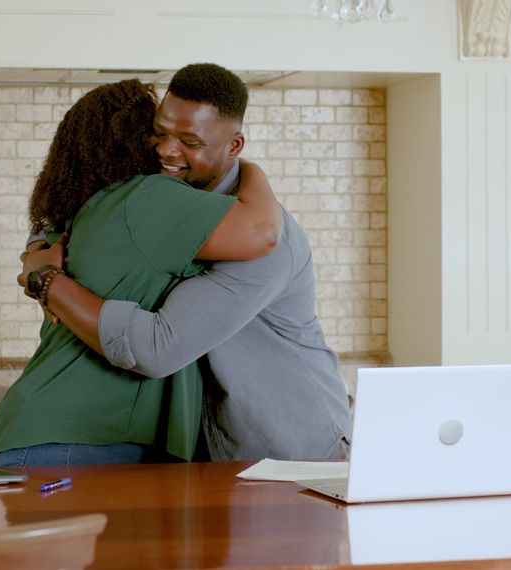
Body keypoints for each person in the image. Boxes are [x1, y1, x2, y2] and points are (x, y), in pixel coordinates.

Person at [22, 63, 351, 461]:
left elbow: (157, 347)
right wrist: (40, 242)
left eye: (189, 141)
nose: (165, 150)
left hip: (296, 448)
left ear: (234, 146)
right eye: (160, 133)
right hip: (226, 456)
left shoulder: (263, 241)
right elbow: (72, 208)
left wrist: (49, 283)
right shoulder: (162, 204)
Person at [0, 79, 282, 467]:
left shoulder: (87, 208)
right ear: (133, 138)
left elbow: (39, 245)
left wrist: (39, 264)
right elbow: (263, 232)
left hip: (48, 432)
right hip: (81, 439)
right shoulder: (148, 198)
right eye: (155, 133)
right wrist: (249, 169)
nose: (164, 147)